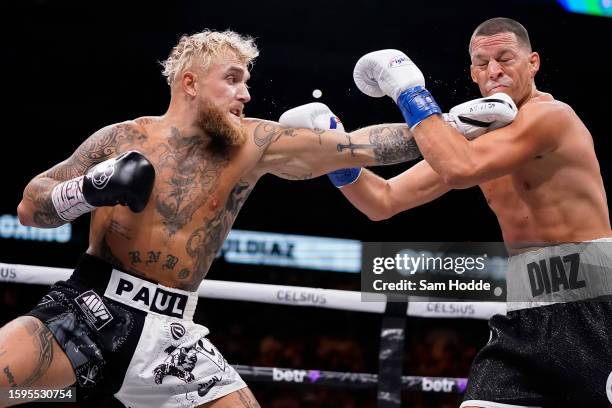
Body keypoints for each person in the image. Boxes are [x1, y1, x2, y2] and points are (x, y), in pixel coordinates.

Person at [0, 29, 426, 408]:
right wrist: (89, 190)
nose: (246, 94)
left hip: (173, 342)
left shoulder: (255, 141)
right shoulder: (124, 137)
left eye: (247, 82)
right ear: (190, 83)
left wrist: (448, 125)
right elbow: (29, 209)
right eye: (233, 79)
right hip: (86, 313)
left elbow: (359, 146)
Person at [336, 17, 611, 407]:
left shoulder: (553, 118)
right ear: (472, 72)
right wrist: (337, 160)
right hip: (523, 315)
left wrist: (409, 91)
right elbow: (382, 201)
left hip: (596, 309)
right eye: (482, 63)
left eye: (505, 58)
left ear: (533, 62)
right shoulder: (474, 138)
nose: (494, 71)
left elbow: (459, 169)